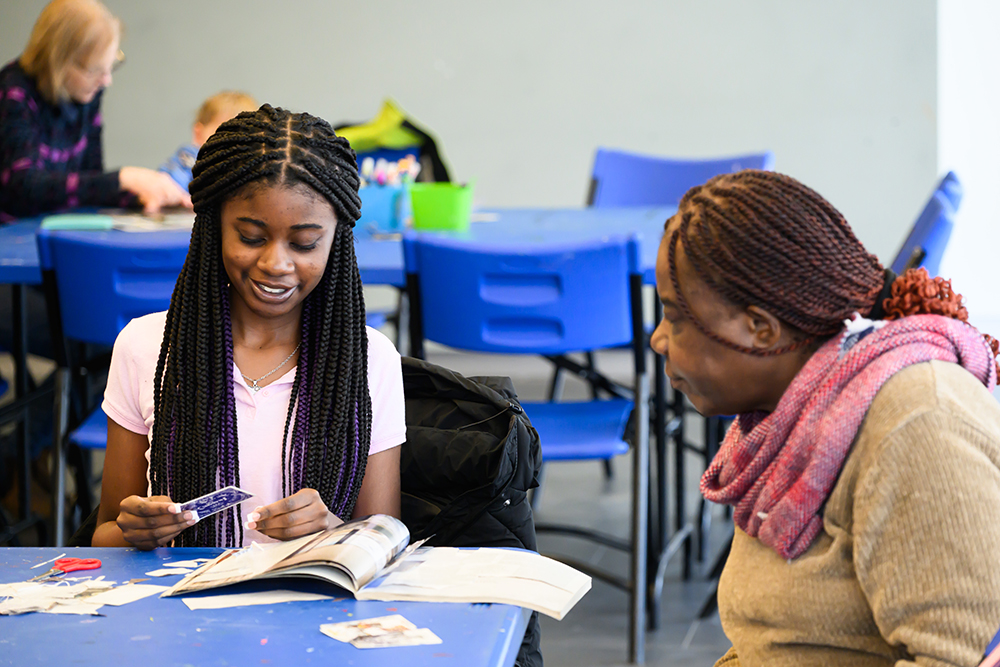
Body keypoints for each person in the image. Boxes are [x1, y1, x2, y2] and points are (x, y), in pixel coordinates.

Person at [650, 170, 1000, 667]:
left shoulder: (920, 424)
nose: (658, 340)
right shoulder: (797, 415)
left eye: (675, 317)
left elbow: (958, 657)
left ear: (761, 330)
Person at [92, 104, 406, 549]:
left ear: (336, 241)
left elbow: (385, 540)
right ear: (213, 227)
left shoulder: (368, 360)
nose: (275, 263)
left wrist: (334, 531)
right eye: (251, 237)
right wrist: (133, 532)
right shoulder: (146, 348)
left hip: (310, 609)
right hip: (178, 610)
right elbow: (104, 535)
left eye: (304, 243)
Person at [0, 0, 190, 223]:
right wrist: (122, 179)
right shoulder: (14, 93)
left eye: (111, 65)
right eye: (94, 70)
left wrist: (143, 192)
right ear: (57, 61)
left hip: (62, 225)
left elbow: (89, 184)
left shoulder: (88, 93)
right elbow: (22, 186)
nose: (106, 81)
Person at [159, 91, 257, 192]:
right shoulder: (190, 158)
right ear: (199, 133)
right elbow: (168, 184)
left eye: (243, 136)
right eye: (223, 134)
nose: (233, 143)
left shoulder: (251, 165)